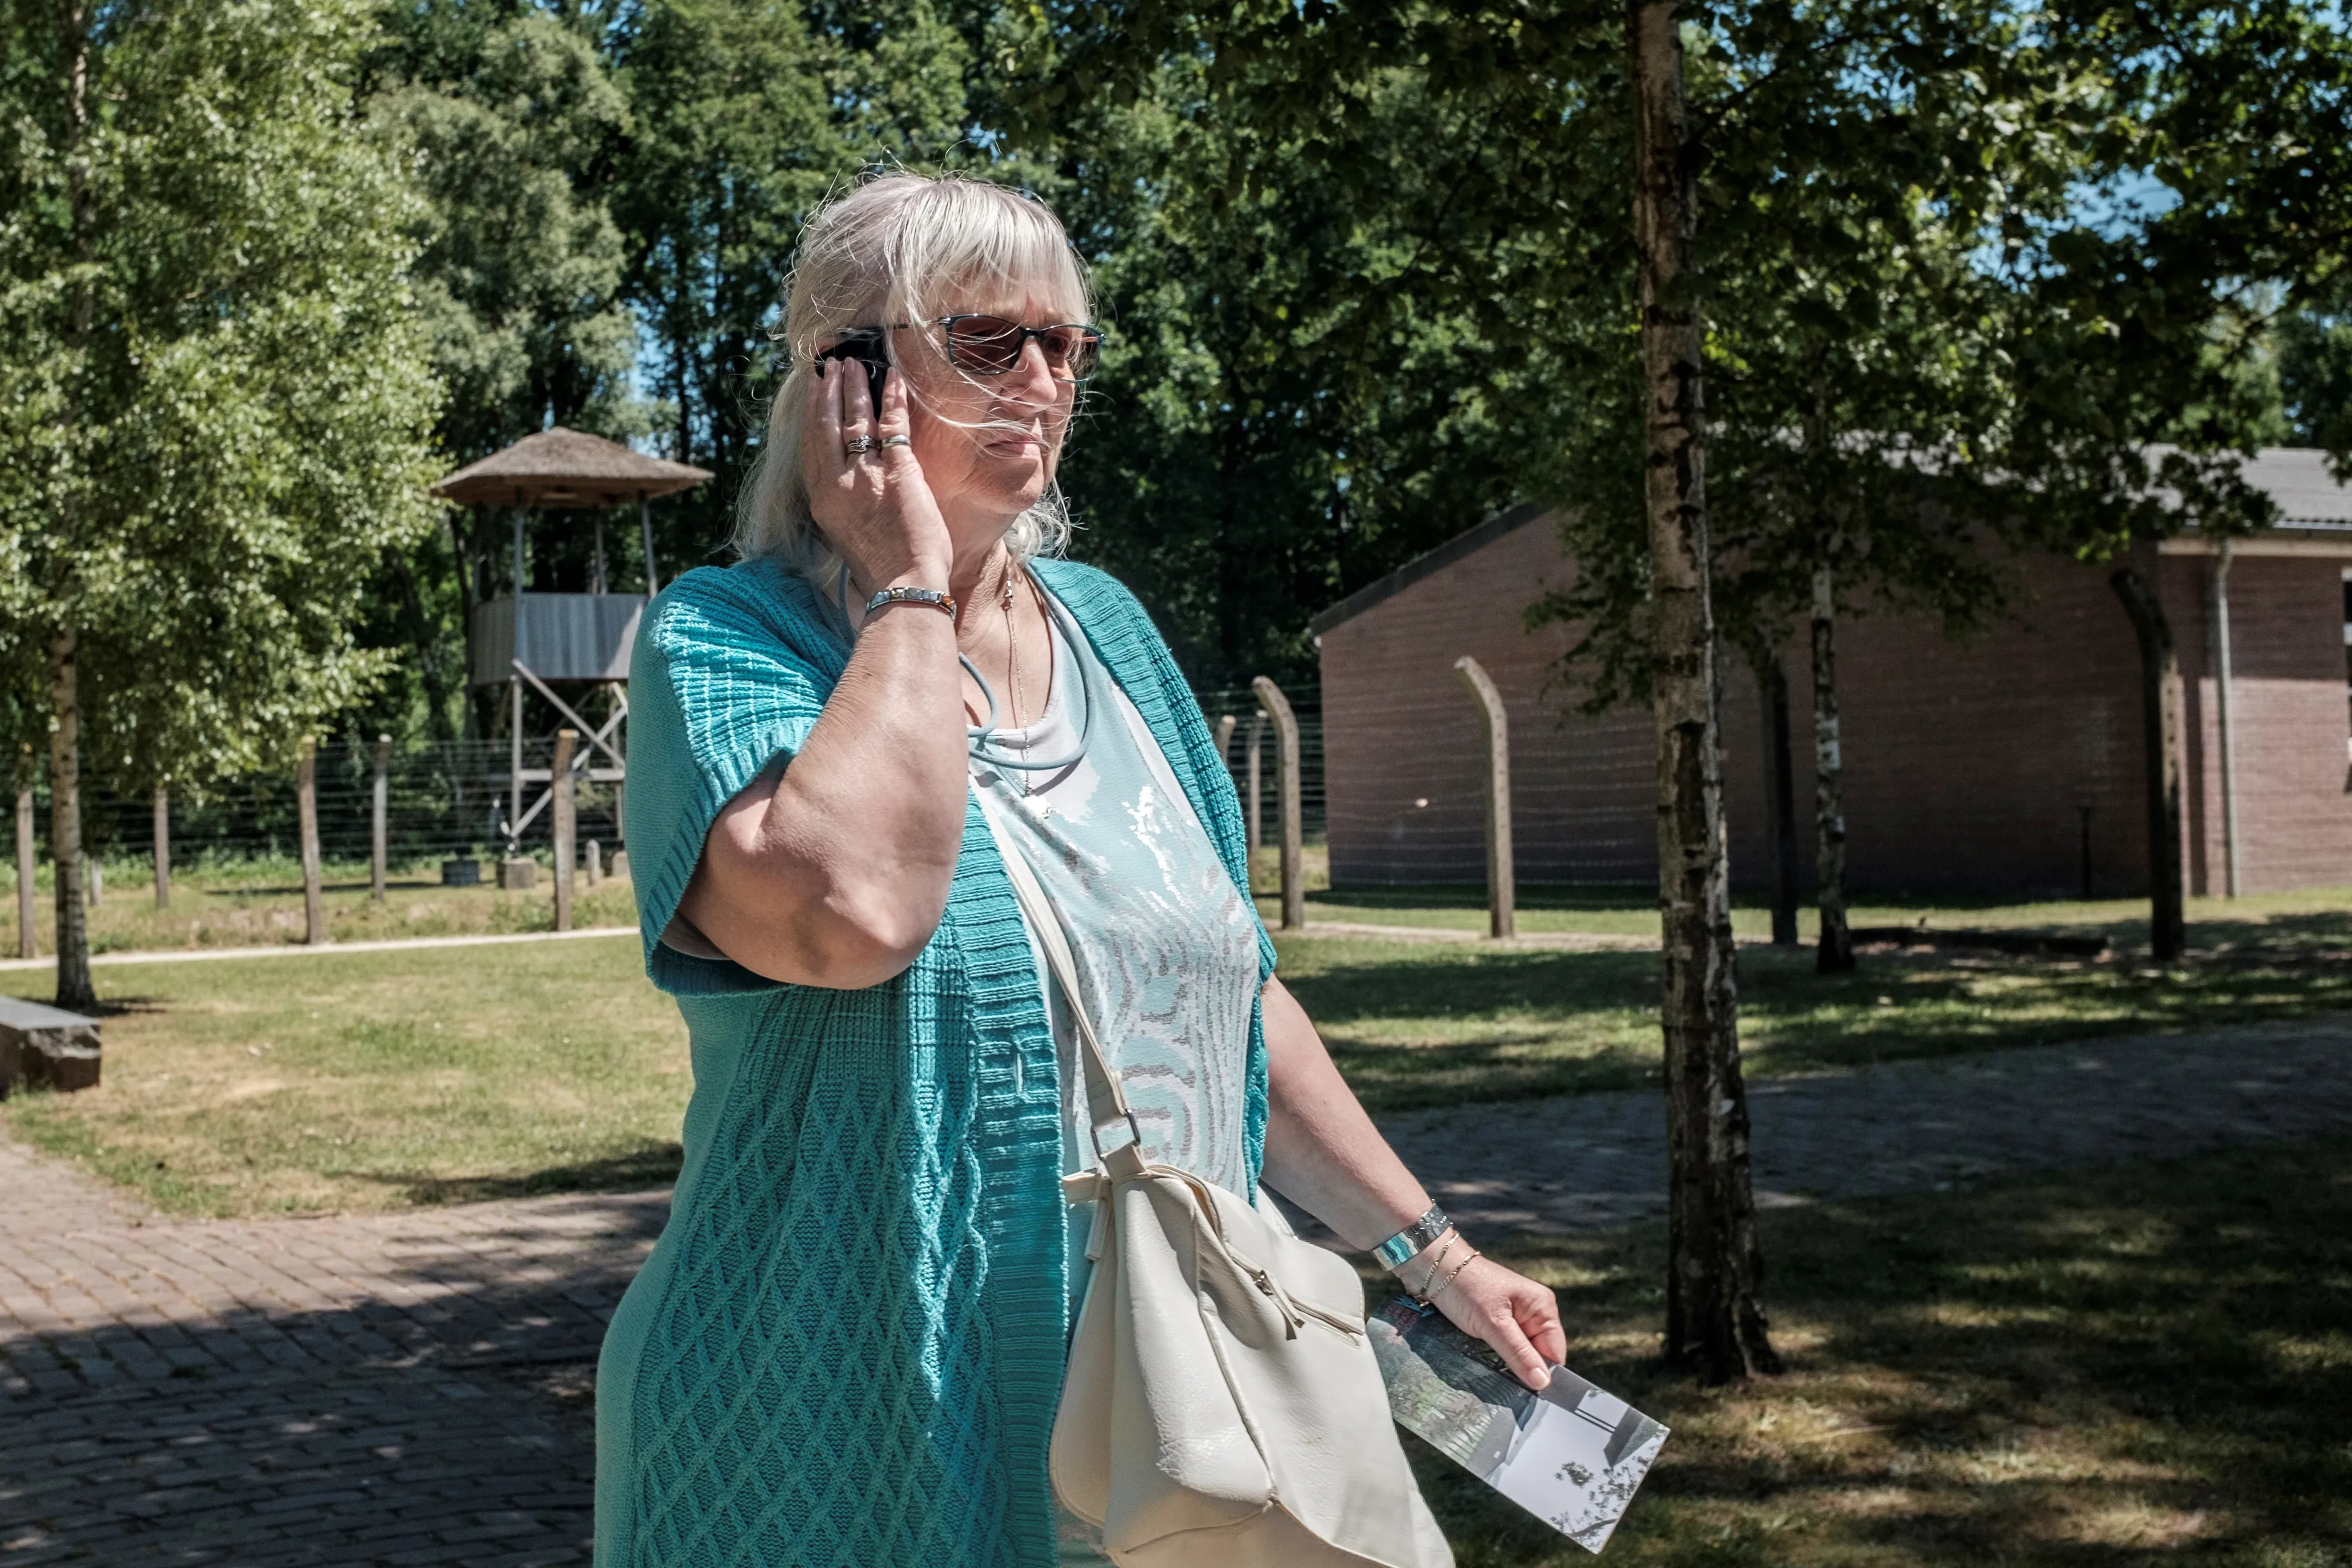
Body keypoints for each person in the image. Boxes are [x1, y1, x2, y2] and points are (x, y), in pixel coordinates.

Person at [597, 172, 1566, 1568]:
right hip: (839, 1413)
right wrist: (906, 588)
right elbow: (853, 913)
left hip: (1173, 1410)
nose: (1043, 380)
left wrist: (1434, 1255)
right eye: (990, 340)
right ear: (850, 376)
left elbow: (1228, 991)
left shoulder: (1108, 627)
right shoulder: (728, 641)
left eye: (1069, 346)